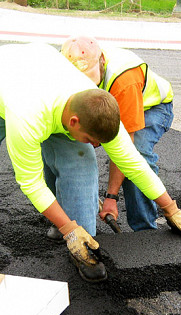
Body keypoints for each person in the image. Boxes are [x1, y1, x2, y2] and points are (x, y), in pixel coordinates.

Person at [0, 42, 181, 283]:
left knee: (82, 164)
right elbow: (31, 182)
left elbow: (133, 163)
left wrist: (170, 208)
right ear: (73, 122)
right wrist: (67, 229)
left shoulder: (96, 108)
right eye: (90, 139)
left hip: (47, 86)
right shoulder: (27, 116)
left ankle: (85, 248)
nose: (94, 144)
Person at [61, 35, 175, 232]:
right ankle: (71, 217)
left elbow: (125, 152)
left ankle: (144, 229)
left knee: (137, 156)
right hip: (103, 107)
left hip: (151, 107)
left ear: (101, 61)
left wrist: (111, 198)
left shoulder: (123, 81)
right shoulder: (66, 64)